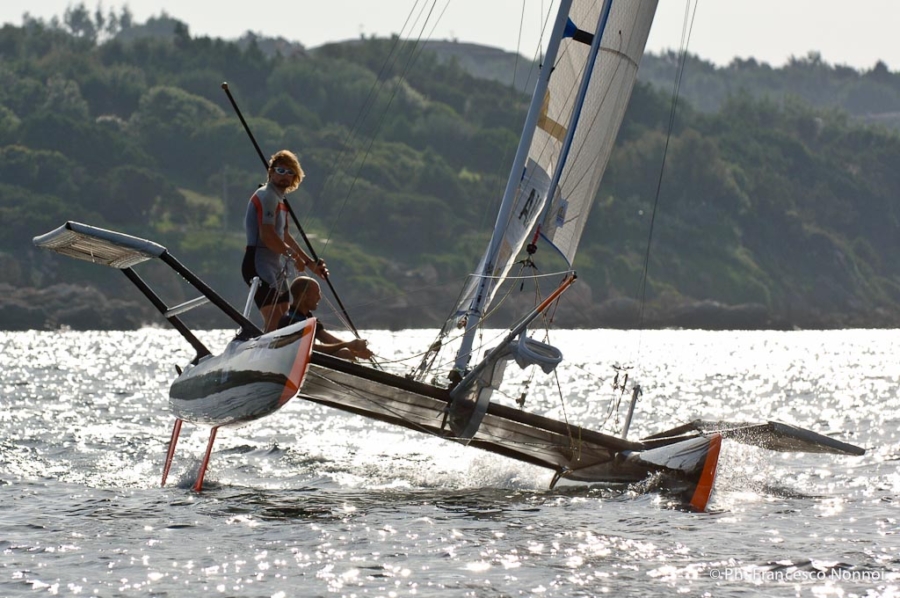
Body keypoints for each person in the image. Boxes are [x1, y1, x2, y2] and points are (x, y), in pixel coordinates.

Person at [242, 150, 328, 332]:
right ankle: (266, 357)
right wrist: (292, 255)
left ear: (295, 178)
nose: (285, 176)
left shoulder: (281, 201)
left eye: (290, 172)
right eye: (280, 171)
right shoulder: (266, 196)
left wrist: (310, 263)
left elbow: (286, 236)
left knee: (284, 320)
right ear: (271, 172)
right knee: (274, 320)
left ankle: (286, 354)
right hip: (258, 264)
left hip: (275, 266)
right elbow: (268, 235)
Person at [279, 276, 374, 362]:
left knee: (346, 353)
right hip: (294, 363)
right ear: (303, 296)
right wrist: (345, 345)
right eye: (316, 293)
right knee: (344, 353)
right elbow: (311, 349)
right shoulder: (289, 319)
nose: (319, 297)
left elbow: (329, 339)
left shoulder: (309, 318)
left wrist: (355, 350)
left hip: (310, 361)